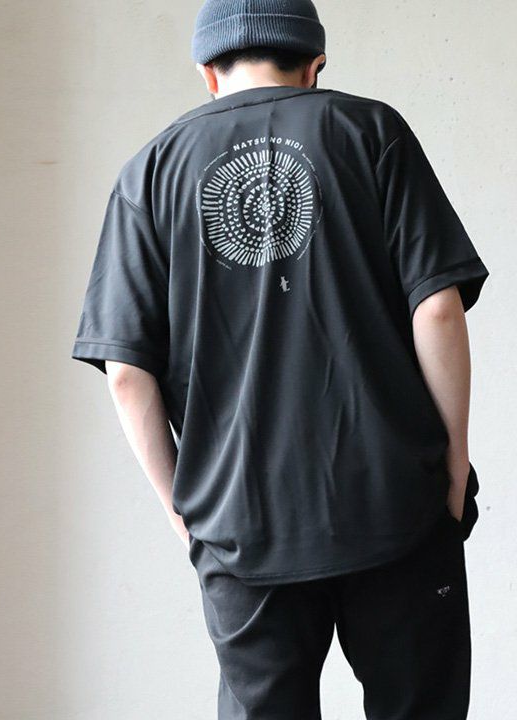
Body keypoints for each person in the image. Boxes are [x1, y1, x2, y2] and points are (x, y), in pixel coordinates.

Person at [70, 1, 490, 717]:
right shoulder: (371, 131)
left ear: (207, 73)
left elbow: (128, 374)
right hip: (394, 503)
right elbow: (438, 309)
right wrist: (453, 469)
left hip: (242, 525)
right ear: (315, 65)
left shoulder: (150, 172)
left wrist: (185, 514)